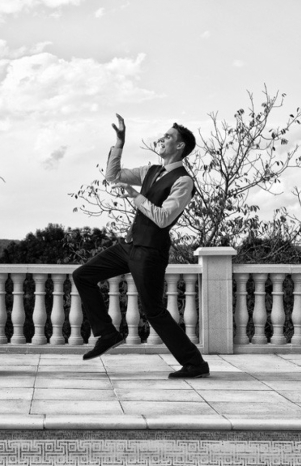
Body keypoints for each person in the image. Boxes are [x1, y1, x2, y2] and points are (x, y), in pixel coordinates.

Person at [72, 114, 209, 379]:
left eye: (168, 136)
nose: (162, 138)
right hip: (129, 246)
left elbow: (163, 218)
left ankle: (195, 364)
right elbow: (112, 176)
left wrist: (137, 197)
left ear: (180, 146)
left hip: (151, 252)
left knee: (153, 311)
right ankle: (108, 333)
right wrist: (119, 142)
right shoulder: (151, 171)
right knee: (83, 275)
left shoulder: (183, 181)